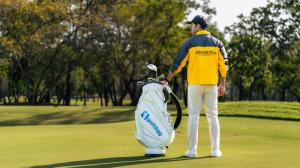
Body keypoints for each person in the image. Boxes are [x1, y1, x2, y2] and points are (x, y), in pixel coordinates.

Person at [161, 15, 228, 158]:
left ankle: (192, 151)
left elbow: (178, 63)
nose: (191, 28)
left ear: (198, 26)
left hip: (195, 86)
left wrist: (167, 79)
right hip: (211, 85)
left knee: (193, 116)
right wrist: (222, 84)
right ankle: (215, 150)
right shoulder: (217, 43)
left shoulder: (189, 43)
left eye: (192, 25)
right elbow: (224, 65)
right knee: (213, 116)